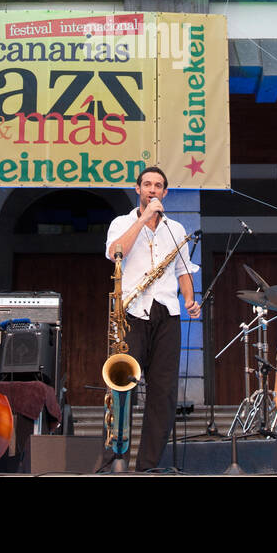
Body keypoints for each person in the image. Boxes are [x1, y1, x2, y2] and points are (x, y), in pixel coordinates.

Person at [105, 166, 201, 471]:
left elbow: (184, 270)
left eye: (158, 185)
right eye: (147, 184)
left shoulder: (176, 229)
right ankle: (116, 459)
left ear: (165, 192)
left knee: (163, 392)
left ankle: (146, 465)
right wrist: (144, 219)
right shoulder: (121, 223)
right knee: (122, 388)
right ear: (138, 189)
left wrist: (189, 298)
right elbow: (115, 251)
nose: (152, 190)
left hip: (167, 313)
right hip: (131, 313)